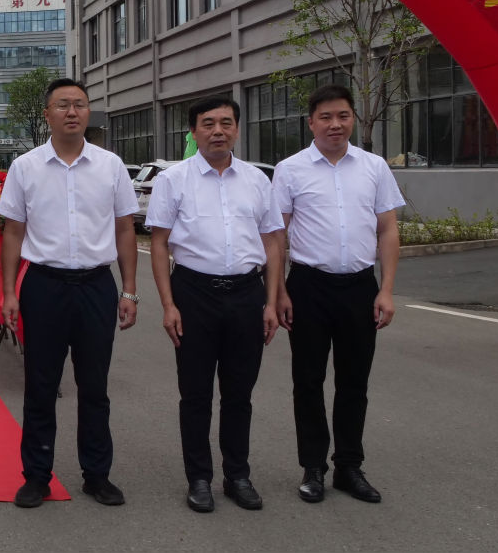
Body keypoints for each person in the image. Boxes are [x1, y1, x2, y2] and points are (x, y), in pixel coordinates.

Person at [0, 78, 140, 509]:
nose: (72, 112)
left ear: (88, 111)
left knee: (94, 386)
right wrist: (9, 291)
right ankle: (36, 476)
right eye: (62, 105)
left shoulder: (110, 166)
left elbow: (125, 229)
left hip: (96, 285)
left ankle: (97, 474)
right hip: (44, 286)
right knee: (40, 385)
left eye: (79, 104)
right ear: (48, 115)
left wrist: (130, 290)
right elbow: (13, 232)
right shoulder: (26, 167)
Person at [145, 97, 283, 513]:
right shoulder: (174, 180)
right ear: (194, 132)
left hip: (247, 294)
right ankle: (199, 478)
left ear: (237, 129)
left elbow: (272, 241)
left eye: (226, 122)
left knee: (239, 393)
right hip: (193, 294)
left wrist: (271, 301)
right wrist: (168, 304)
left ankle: (237, 475)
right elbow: (159, 243)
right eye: (208, 123)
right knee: (195, 394)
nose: (218, 131)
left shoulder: (257, 180)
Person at [272, 84, 404, 505]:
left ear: (353, 119)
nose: (335, 124)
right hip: (308, 287)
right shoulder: (290, 170)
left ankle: (349, 466)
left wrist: (386, 290)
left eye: (343, 116)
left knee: (354, 382)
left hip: (360, 288)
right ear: (311, 122)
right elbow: (277, 236)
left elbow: (388, 229)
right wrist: (278, 292)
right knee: (308, 381)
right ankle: (313, 466)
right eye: (326, 117)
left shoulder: (373, 167)